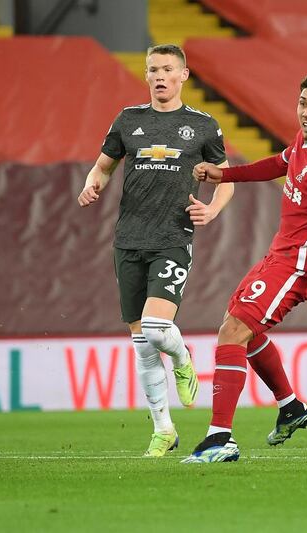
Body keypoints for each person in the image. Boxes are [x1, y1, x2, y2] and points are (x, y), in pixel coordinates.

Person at [183, 71, 307, 463]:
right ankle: (291, 406)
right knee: (238, 321)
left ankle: (220, 438)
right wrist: (224, 174)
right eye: (303, 103)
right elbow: (279, 163)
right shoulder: (304, 141)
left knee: (234, 328)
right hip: (280, 254)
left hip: (297, 265)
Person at [77, 44, 234, 457]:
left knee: (157, 330)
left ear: (184, 75)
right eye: (152, 69)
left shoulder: (202, 125)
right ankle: (164, 429)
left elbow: (227, 179)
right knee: (142, 344)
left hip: (172, 238)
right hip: (128, 240)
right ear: (146, 76)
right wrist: (92, 183)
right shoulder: (128, 120)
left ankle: (184, 360)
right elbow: (103, 166)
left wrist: (212, 210)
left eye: (167, 69)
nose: (159, 76)